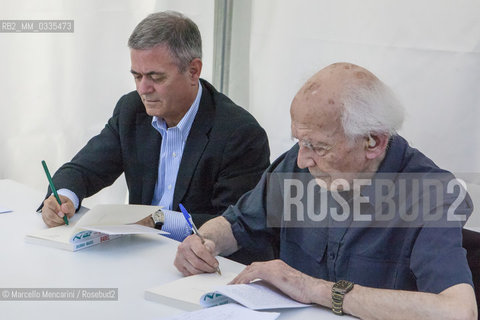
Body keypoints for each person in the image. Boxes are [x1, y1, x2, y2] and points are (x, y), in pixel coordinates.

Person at [174, 63, 478, 319]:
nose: (303, 160)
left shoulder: (431, 194)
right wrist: (205, 240)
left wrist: (314, 289)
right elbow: (239, 223)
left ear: (373, 142)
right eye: (299, 142)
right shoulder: (300, 164)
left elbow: (458, 311)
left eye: (318, 146)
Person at [39, 11, 270, 243]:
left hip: (202, 263)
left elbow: (237, 224)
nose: (143, 89)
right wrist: (63, 197)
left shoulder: (239, 134)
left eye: (155, 77)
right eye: (137, 76)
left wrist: (157, 219)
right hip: (140, 250)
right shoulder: (132, 110)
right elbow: (84, 170)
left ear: (193, 71)